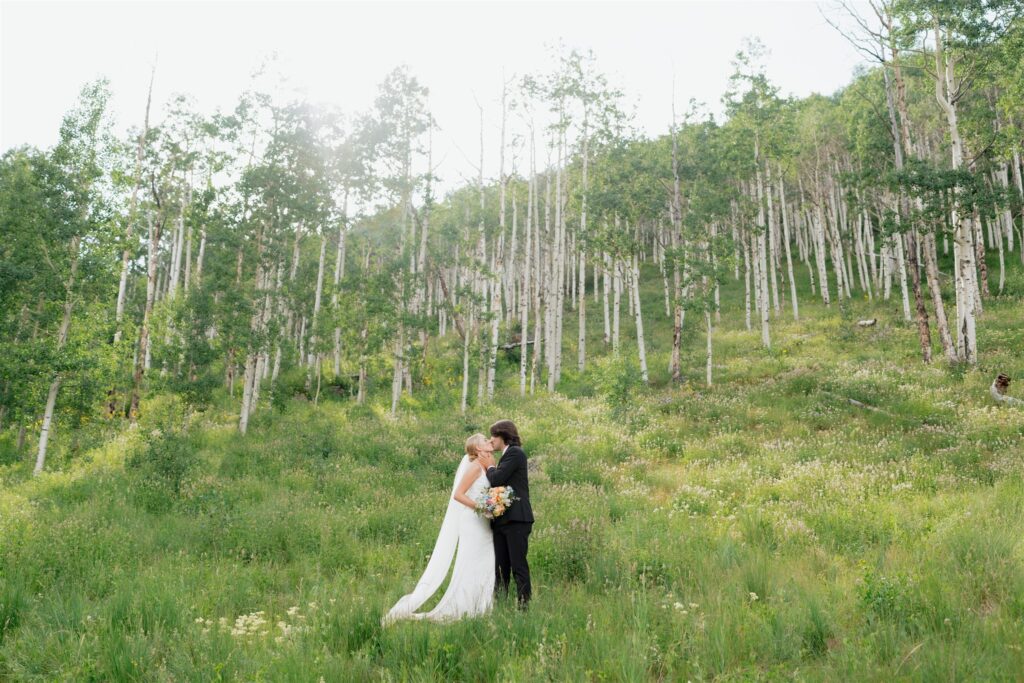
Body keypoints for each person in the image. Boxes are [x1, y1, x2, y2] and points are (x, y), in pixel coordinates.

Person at [382, 434, 495, 624]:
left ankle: (482, 605)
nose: (489, 441)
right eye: (484, 440)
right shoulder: (474, 467)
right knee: (471, 563)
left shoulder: (487, 465)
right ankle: (465, 606)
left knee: (485, 562)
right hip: (473, 521)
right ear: (477, 449)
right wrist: (481, 507)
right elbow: (458, 495)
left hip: (484, 522)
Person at [476, 419, 534, 608]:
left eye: (494, 436)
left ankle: (523, 606)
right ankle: (500, 605)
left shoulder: (515, 454)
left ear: (503, 436)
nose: (491, 440)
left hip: (517, 519)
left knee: (518, 565)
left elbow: (497, 479)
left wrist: (490, 466)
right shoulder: (507, 455)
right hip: (503, 520)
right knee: (501, 567)